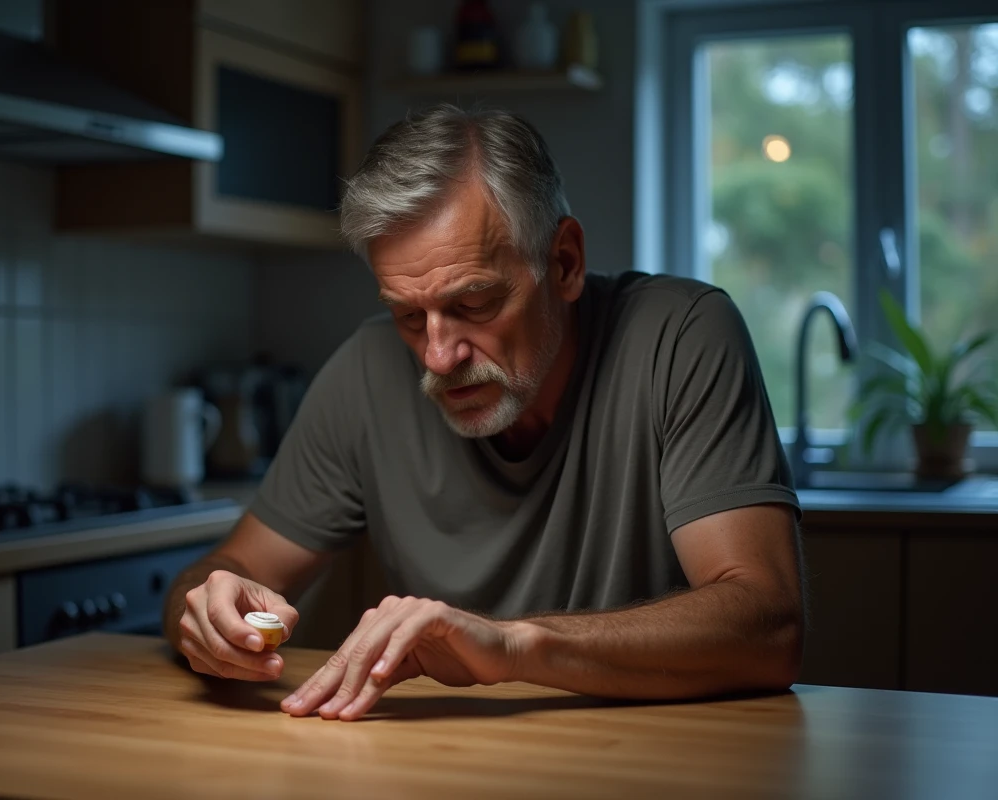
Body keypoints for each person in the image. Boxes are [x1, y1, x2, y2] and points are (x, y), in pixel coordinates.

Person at [164, 104, 804, 722]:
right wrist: (207, 610)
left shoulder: (683, 336)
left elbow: (767, 625)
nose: (438, 357)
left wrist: (515, 645)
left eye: (474, 304)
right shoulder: (366, 368)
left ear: (564, 264)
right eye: (409, 315)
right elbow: (226, 569)